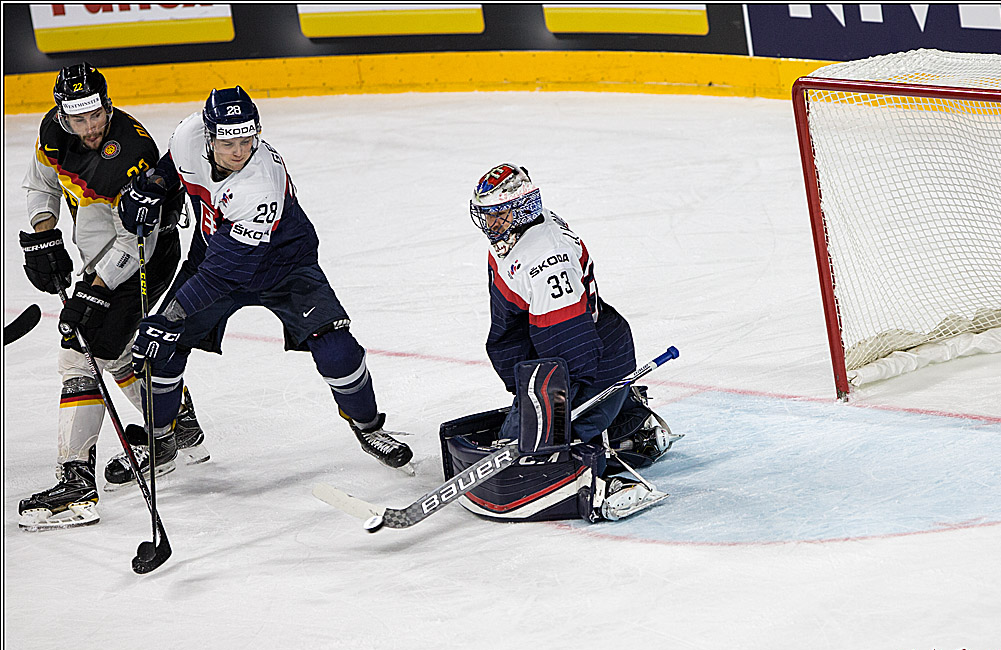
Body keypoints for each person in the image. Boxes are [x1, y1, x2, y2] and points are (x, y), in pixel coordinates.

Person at [119, 86, 413, 478]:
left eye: (247, 138)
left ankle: (369, 428)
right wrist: (154, 186)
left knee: (337, 349)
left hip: (283, 266)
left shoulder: (261, 186)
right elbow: (174, 166)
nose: (239, 150)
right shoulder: (189, 134)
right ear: (208, 135)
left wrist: (169, 318)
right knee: (162, 354)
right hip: (213, 255)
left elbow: (223, 274)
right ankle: (160, 442)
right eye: (228, 141)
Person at [17, 63, 208, 531]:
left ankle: (76, 482)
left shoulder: (132, 153)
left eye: (96, 115)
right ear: (63, 114)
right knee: (117, 351)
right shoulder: (52, 131)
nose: (89, 127)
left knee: (80, 354)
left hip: (144, 256)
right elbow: (42, 185)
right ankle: (176, 425)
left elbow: (132, 242)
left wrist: (95, 292)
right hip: (98, 252)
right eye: (77, 118)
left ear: (108, 104)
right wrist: (45, 235)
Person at [440, 163, 678, 522]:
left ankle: (609, 458)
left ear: (521, 211)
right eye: (486, 217)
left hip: (593, 364)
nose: (491, 226)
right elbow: (515, 327)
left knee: (538, 443)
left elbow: (572, 347)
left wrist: (551, 416)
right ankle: (628, 417)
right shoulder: (520, 236)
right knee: (527, 429)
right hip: (591, 346)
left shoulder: (546, 261)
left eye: (498, 216)